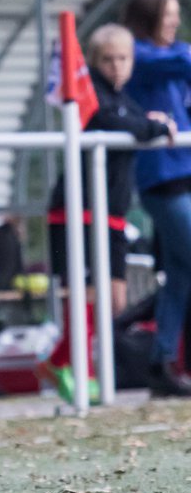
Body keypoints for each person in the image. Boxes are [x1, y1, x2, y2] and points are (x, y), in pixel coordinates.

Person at [39, 23, 175, 403]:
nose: (116, 66)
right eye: (108, 59)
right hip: (77, 211)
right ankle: (76, 370)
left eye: (123, 59)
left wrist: (154, 123)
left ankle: (60, 360)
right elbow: (114, 122)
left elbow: (134, 120)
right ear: (95, 62)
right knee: (83, 296)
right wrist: (152, 126)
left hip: (111, 214)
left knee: (113, 301)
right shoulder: (90, 94)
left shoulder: (124, 97)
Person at [122, 0, 191, 397]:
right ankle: (155, 353)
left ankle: (160, 362)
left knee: (181, 274)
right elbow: (183, 62)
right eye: (168, 16)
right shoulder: (137, 54)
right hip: (162, 180)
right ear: (149, 18)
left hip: (183, 173)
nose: (176, 22)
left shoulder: (166, 55)